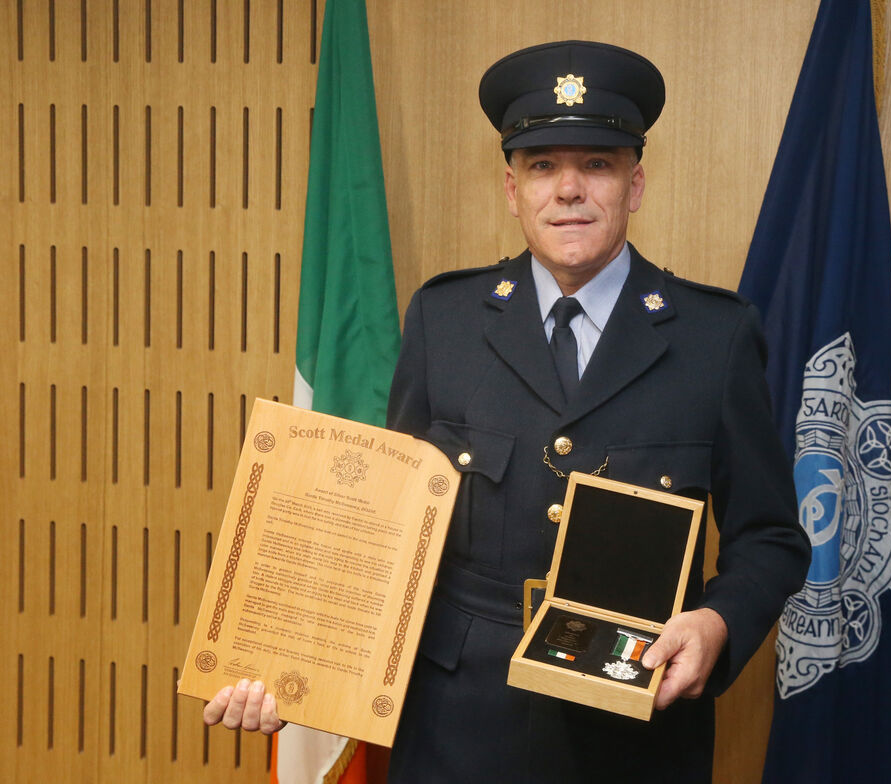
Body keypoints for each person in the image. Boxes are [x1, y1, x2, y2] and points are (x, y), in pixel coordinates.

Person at [204, 40, 811, 783]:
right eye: (543, 166)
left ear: (635, 182)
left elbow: (772, 537)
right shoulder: (445, 319)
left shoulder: (715, 337)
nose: (569, 190)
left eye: (597, 164)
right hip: (459, 727)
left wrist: (718, 625)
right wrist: (289, 660)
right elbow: (380, 532)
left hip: (635, 730)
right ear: (511, 187)